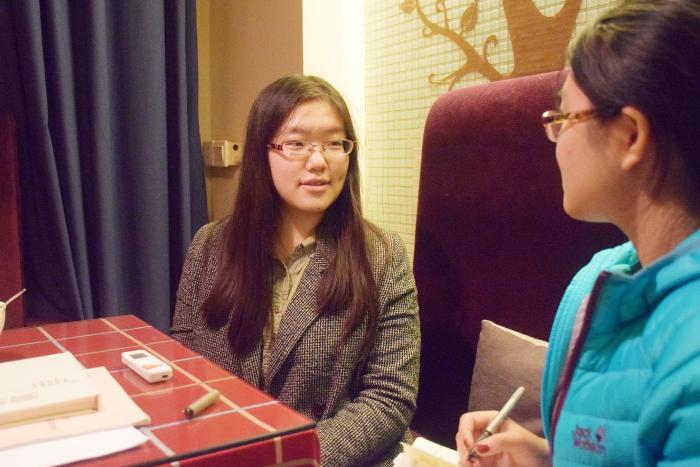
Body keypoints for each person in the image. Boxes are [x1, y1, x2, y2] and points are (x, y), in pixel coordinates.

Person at [456, 1, 700, 465]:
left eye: (564, 118)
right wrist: (543, 455)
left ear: (630, 136)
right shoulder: (596, 283)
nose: (554, 141)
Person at [171, 75, 420, 467]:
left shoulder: (383, 256)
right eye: (297, 143)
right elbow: (184, 361)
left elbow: (389, 398)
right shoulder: (209, 244)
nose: (318, 161)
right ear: (262, 153)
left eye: (334, 143)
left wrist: (292, 458)